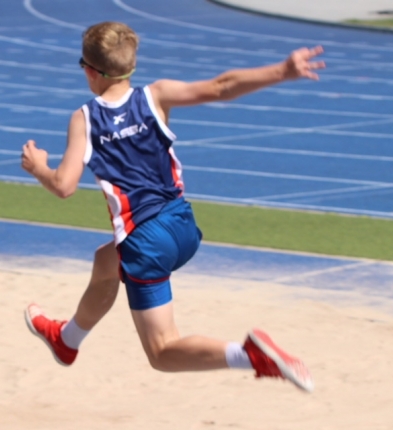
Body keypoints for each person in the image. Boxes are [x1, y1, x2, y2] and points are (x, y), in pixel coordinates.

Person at [21, 22, 324, 392]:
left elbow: (64, 186)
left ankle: (250, 356)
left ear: (89, 70)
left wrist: (39, 168)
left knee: (161, 352)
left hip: (146, 242)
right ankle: (67, 340)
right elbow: (220, 87)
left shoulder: (85, 119)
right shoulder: (156, 95)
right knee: (106, 262)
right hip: (181, 224)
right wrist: (282, 70)